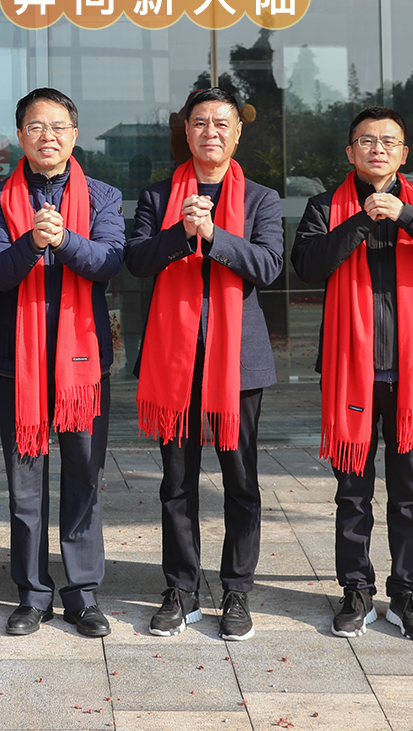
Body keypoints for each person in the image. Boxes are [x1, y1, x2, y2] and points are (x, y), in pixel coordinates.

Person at [292, 106, 413, 643]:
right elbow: (308, 266)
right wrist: (361, 220)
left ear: (403, 153)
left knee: (409, 492)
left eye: (388, 141)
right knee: (352, 492)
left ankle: (406, 591)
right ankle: (355, 589)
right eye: (367, 141)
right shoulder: (325, 206)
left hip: (411, 374)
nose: (378, 149)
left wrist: (405, 216)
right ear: (350, 151)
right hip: (351, 371)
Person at [126, 86, 284, 642]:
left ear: (237, 133)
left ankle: (236, 589)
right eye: (199, 122)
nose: (210, 132)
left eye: (221, 123)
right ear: (186, 131)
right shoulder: (157, 195)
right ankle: (181, 589)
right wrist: (181, 233)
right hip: (174, 361)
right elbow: (136, 260)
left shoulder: (261, 198)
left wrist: (215, 236)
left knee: (241, 481)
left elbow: (268, 266)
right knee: (176, 482)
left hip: (238, 363)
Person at [0, 88, 125, 638]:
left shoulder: (104, 196)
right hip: (19, 364)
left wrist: (62, 241)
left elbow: (109, 261)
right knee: (25, 484)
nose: (48, 136)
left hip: (83, 366)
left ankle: (82, 593)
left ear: (75, 135)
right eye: (37, 127)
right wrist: (30, 243)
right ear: (20, 135)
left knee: (84, 476)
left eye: (59, 126)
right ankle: (32, 593)